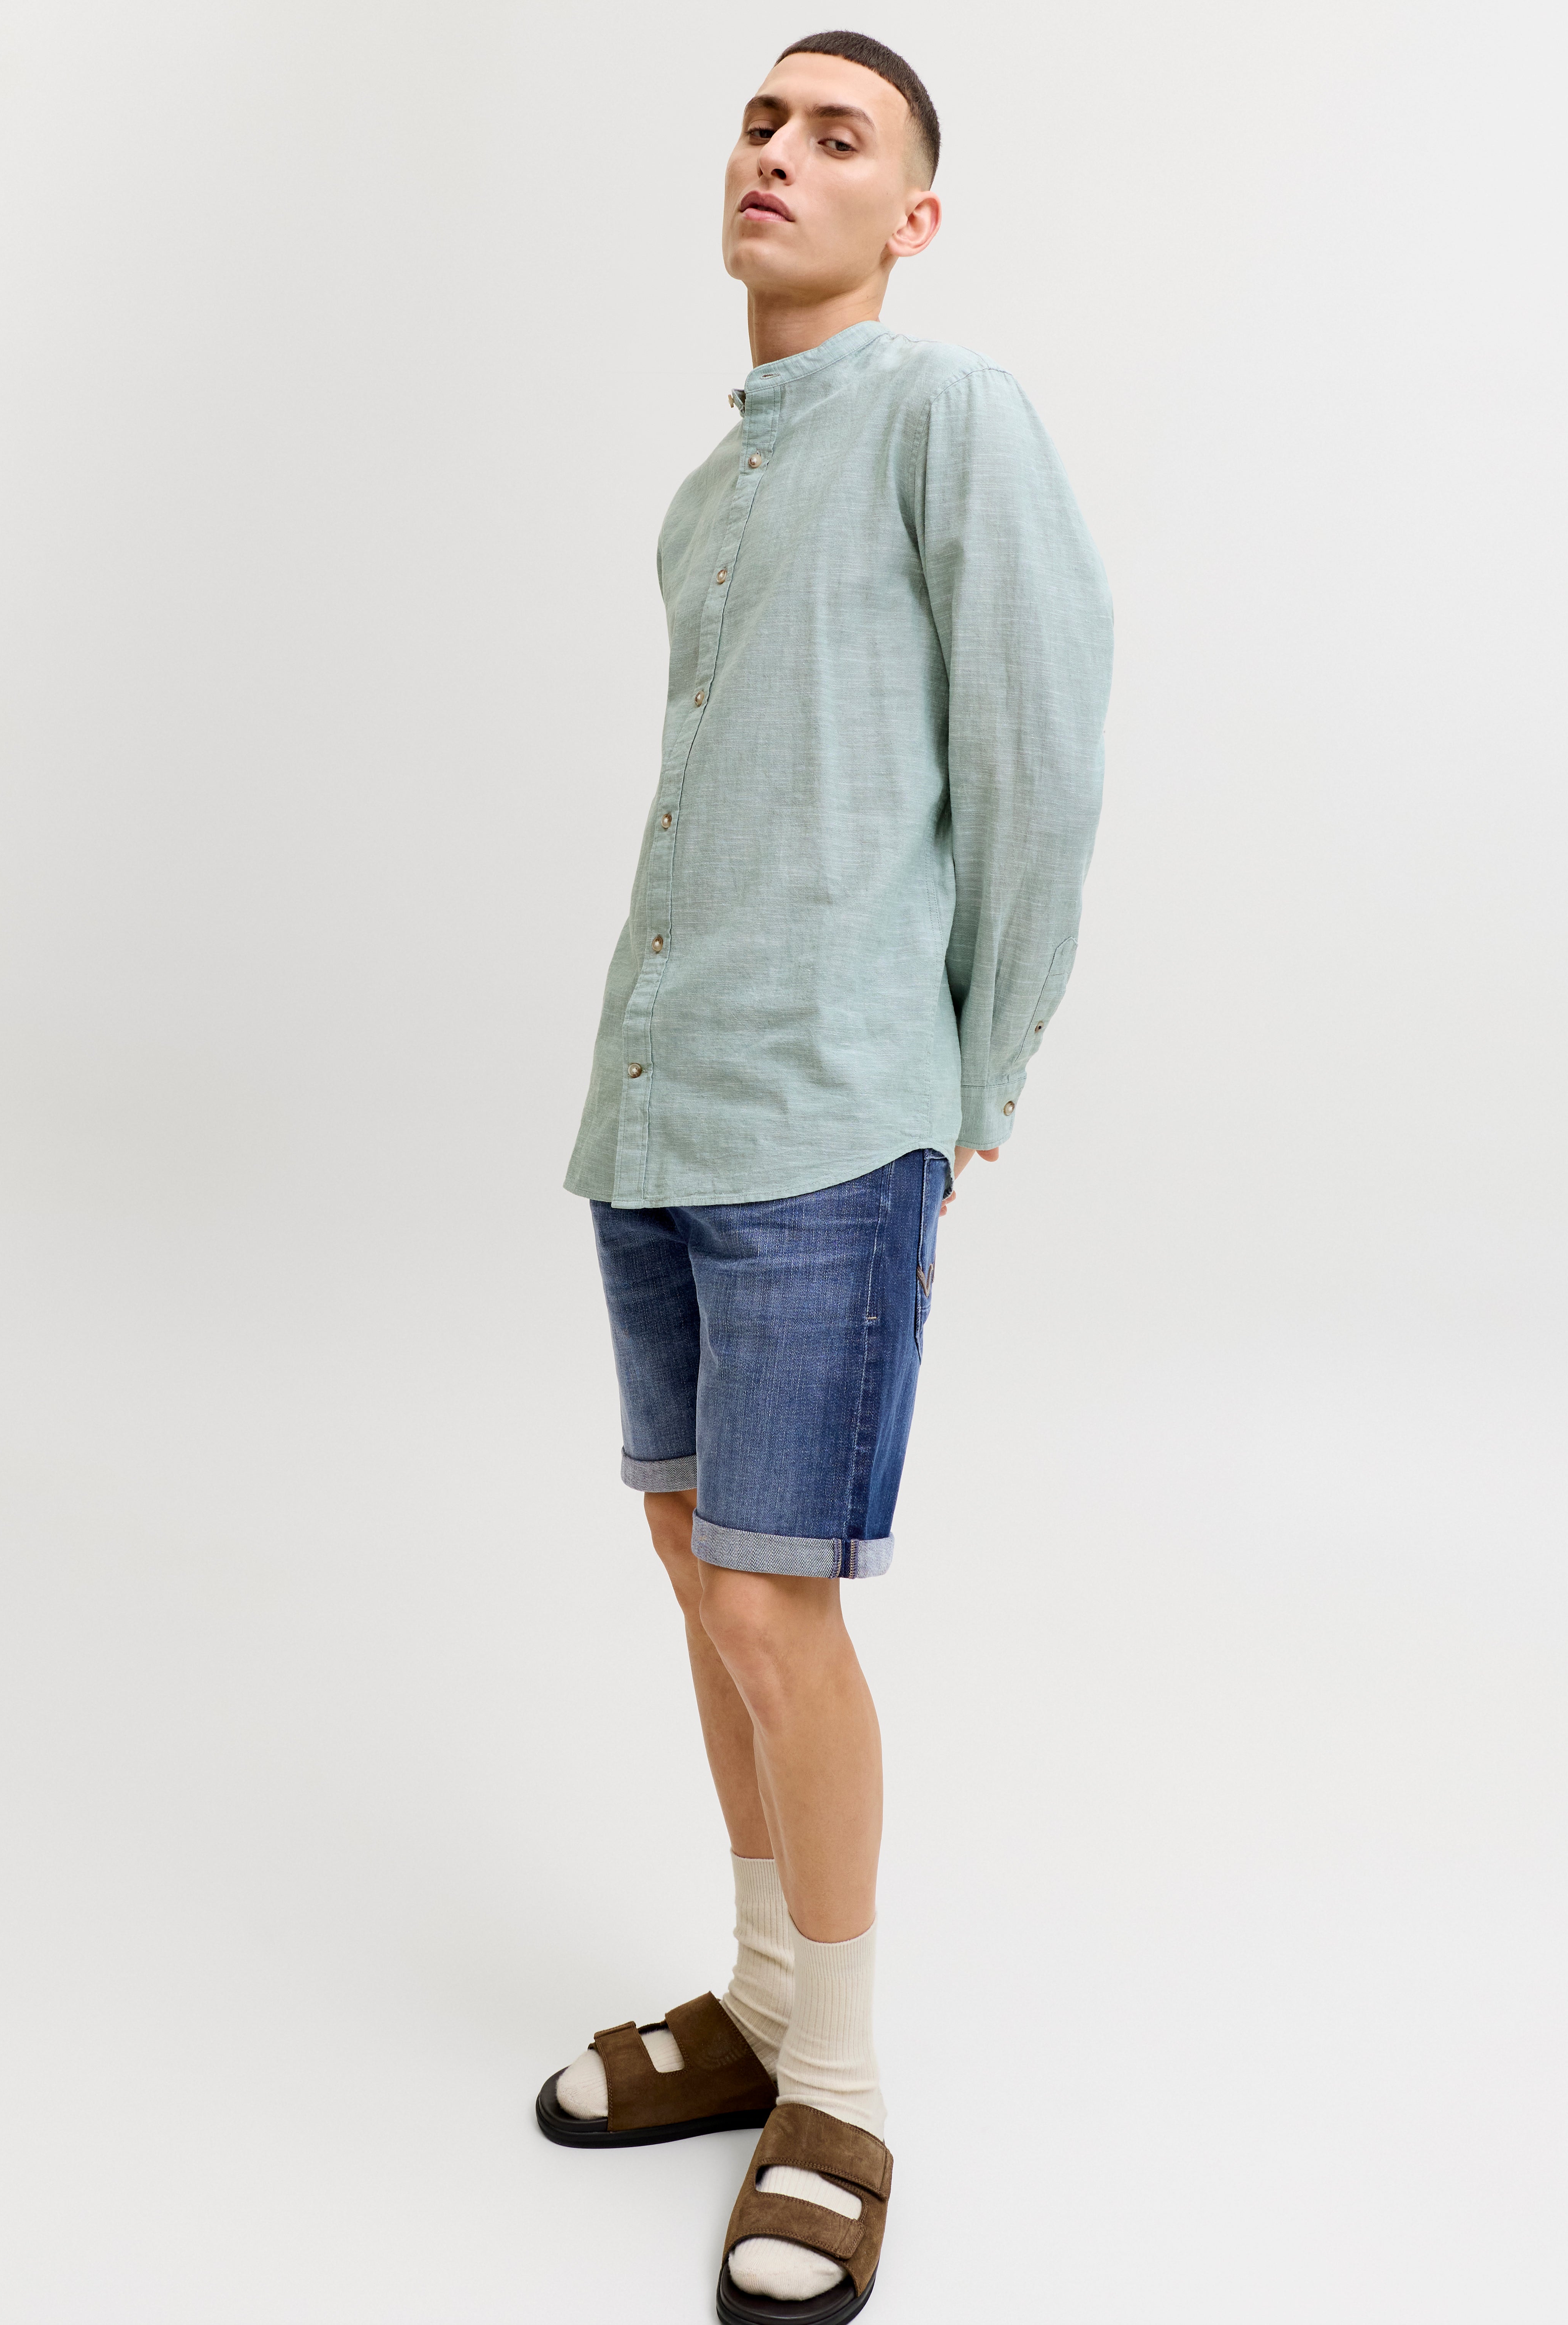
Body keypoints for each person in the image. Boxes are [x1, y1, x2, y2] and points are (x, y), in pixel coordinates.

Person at [537, 29, 1113, 2321]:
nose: (778, 154)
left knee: (780, 1606)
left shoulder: (944, 412)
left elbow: (1040, 754)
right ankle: (764, 1999)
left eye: (837, 134)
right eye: (760, 121)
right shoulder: (715, 484)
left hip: (827, 1118)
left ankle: (842, 2091)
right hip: (660, 1104)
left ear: (914, 215)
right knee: (699, 1573)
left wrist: (968, 1082)